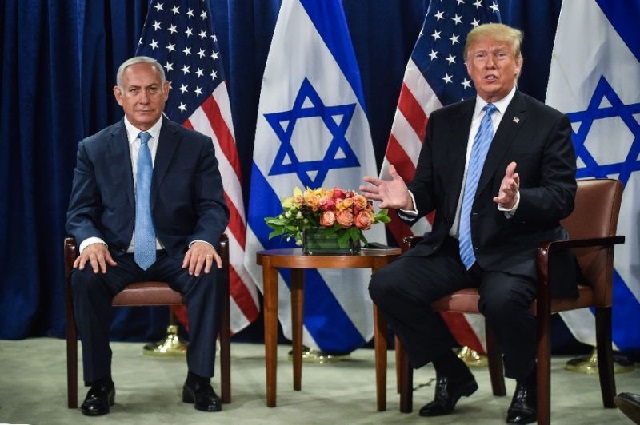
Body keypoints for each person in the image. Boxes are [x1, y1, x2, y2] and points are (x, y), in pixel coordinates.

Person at [361, 23, 579, 424]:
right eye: (481, 56)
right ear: (467, 66)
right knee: (388, 284)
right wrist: (406, 199)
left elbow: (562, 196)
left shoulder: (548, 123)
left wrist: (518, 200)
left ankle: (527, 382)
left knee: (500, 299)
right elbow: (425, 191)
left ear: (518, 65)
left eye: (500, 55)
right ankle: (451, 371)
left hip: (518, 250)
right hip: (454, 248)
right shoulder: (445, 122)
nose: (490, 64)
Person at [66, 56, 229, 416]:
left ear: (166, 92)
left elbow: (213, 206)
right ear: (118, 95)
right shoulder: (92, 148)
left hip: (176, 253)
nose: (144, 98)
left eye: (152, 89)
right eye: (134, 90)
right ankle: (99, 384)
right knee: (85, 278)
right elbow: (79, 212)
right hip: (117, 254)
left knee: (209, 273)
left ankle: (199, 380)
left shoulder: (195, 145)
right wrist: (90, 241)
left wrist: (203, 239)